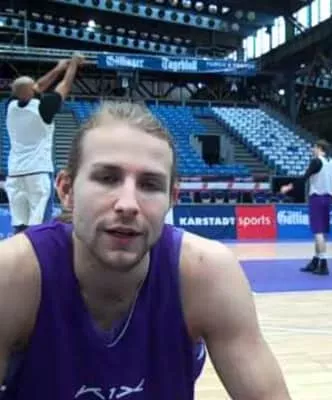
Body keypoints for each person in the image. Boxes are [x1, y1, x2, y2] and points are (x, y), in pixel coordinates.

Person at [0, 101, 291, 399]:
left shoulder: (206, 273)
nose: (128, 204)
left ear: (172, 198)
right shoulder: (12, 275)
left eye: (150, 185)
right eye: (107, 178)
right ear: (66, 190)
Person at [4, 53, 83, 234]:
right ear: (31, 91)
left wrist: (58, 68)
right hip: (38, 172)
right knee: (38, 227)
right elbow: (64, 86)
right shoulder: (42, 108)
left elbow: (36, 87)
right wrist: (72, 65)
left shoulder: (11, 106)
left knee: (19, 227)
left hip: (15, 174)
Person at [281, 139, 332, 276]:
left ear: (319, 148)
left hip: (317, 198)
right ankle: (316, 260)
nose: (312, 150)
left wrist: (288, 187)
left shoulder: (317, 161)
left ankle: (323, 264)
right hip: (328, 198)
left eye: (314, 147)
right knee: (321, 232)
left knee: (318, 232)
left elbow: (304, 178)